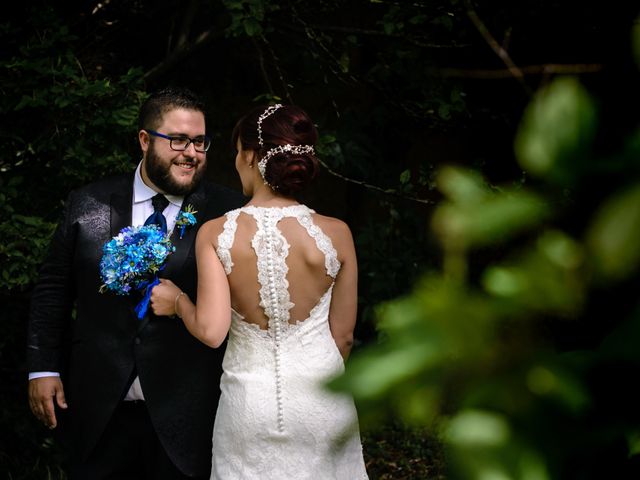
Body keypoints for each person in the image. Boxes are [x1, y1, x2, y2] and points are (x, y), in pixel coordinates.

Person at [26, 87, 244, 479]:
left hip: (189, 412)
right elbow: (53, 289)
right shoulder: (88, 203)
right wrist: (42, 368)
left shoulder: (227, 212)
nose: (191, 152)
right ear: (145, 140)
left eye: (200, 141)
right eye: (178, 139)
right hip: (99, 409)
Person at [150, 104, 369, 479]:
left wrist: (178, 303)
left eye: (237, 152)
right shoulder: (337, 233)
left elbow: (211, 331)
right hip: (323, 401)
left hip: (248, 407)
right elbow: (344, 337)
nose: (236, 162)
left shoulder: (217, 233)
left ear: (251, 156)